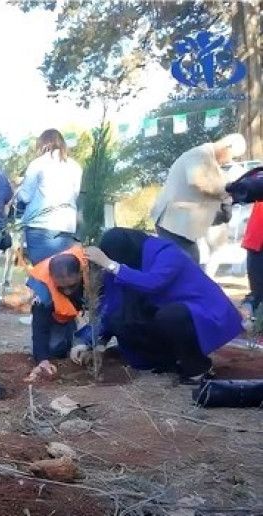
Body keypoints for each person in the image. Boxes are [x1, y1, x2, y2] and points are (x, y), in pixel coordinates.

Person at [85, 228, 243, 384]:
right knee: (126, 315)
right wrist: (91, 342)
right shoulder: (129, 263)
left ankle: (198, 367)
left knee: (171, 316)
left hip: (205, 313)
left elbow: (153, 283)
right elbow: (110, 305)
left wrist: (110, 264)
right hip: (166, 311)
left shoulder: (167, 253)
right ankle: (164, 360)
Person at [151, 133, 246, 264]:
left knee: (189, 262)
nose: (229, 161)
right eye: (232, 156)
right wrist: (225, 192)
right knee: (187, 263)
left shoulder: (210, 160)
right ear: (227, 147)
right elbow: (198, 181)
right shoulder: (200, 154)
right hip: (172, 221)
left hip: (181, 223)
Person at [17, 129, 83, 264]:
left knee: (41, 272)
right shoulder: (76, 166)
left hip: (40, 225)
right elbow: (75, 194)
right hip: (66, 226)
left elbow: (25, 196)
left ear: (43, 144)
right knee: (60, 273)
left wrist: (17, 191)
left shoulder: (38, 164)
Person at [24, 245, 88, 382]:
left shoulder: (92, 273)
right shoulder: (43, 292)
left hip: (74, 308)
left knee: (81, 342)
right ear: (52, 279)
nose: (67, 291)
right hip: (55, 315)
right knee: (55, 349)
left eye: (72, 286)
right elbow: (39, 327)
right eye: (61, 287)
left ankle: (74, 335)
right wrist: (42, 360)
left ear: (80, 274)